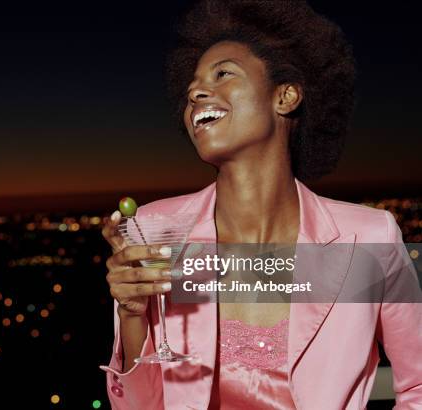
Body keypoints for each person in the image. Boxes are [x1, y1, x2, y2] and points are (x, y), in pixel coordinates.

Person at [99, 0, 422, 409]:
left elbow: (418, 386)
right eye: (192, 88)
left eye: (223, 74)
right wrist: (131, 314)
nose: (196, 92)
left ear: (285, 96)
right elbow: (139, 407)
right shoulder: (156, 229)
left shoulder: (369, 238)